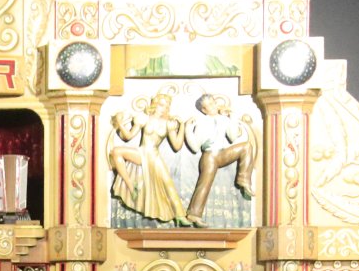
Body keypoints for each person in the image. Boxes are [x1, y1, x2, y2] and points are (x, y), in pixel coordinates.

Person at [109, 94, 187, 224]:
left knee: (167, 184)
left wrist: (182, 126)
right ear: (155, 105)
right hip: (142, 153)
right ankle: (130, 185)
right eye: (161, 105)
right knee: (117, 151)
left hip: (154, 156)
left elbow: (177, 146)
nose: (164, 108)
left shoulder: (168, 124)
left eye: (166, 106)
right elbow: (128, 136)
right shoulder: (144, 119)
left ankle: (180, 216)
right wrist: (119, 123)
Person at [183, 93, 257, 226]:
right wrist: (188, 129)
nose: (213, 106)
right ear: (204, 110)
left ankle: (244, 180)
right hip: (209, 156)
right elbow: (194, 147)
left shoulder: (223, 120)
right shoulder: (202, 123)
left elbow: (233, 136)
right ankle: (193, 214)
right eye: (209, 105)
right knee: (204, 184)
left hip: (222, 154)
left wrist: (232, 117)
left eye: (213, 103)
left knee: (246, 146)